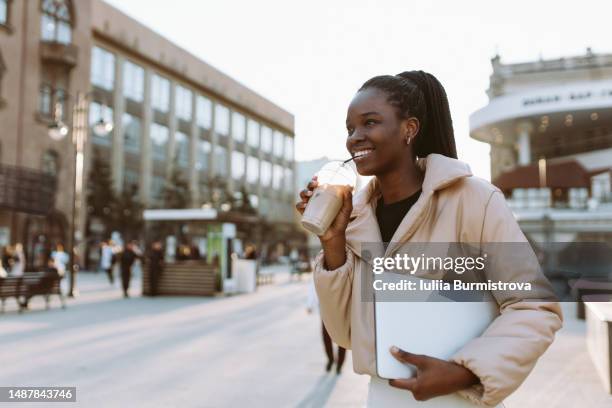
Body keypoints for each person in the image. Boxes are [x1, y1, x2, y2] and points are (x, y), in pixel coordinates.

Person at [296, 71, 563, 407]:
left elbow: (534, 308)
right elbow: (345, 334)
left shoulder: (475, 200)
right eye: (350, 128)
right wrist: (333, 243)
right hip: (381, 398)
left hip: (459, 399)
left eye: (370, 122)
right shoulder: (356, 217)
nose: (355, 137)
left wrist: (465, 372)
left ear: (409, 129)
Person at [306, 277, 346, 374]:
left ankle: (340, 364)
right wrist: (310, 304)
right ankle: (331, 359)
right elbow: (314, 284)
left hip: (341, 308)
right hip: (325, 308)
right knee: (326, 336)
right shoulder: (320, 265)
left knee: (342, 338)